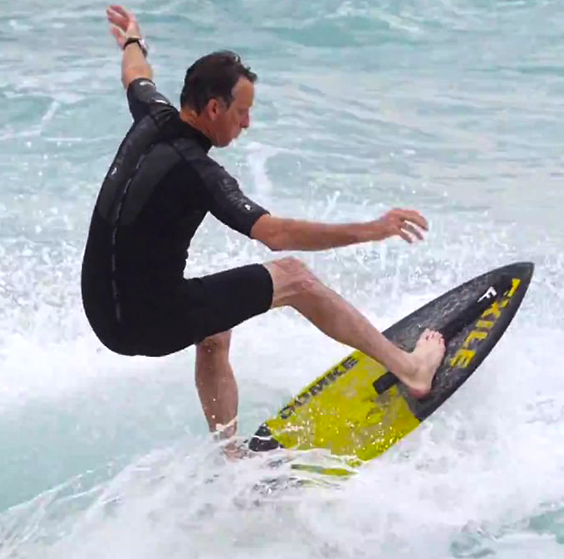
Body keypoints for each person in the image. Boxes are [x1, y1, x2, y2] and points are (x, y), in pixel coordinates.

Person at [82, 5, 447, 449]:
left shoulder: (151, 114)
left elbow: (135, 74)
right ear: (214, 107)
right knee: (293, 277)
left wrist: (133, 41)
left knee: (214, 328)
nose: (247, 124)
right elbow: (275, 234)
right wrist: (372, 229)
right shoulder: (199, 170)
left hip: (102, 312)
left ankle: (230, 457)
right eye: (242, 112)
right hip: (146, 323)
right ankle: (411, 370)